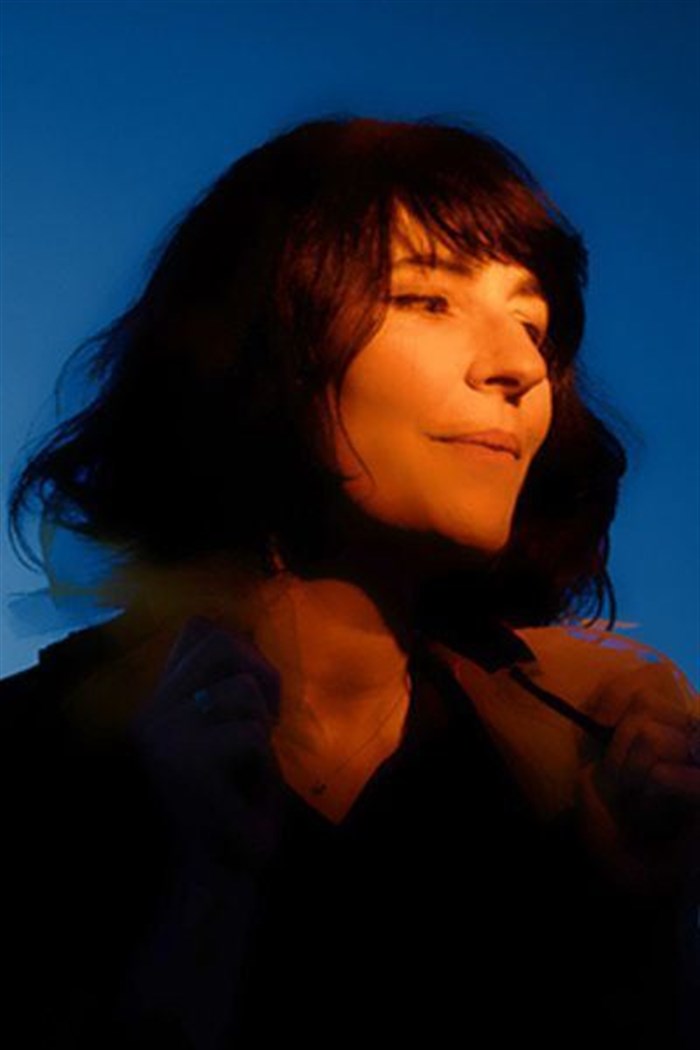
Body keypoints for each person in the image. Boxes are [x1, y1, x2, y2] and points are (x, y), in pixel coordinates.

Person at [3, 115, 699, 1050]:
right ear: (269, 342)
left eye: (532, 324)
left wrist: (636, 921)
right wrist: (196, 898)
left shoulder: (586, 774)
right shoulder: (40, 754)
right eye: (427, 300)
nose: (518, 368)